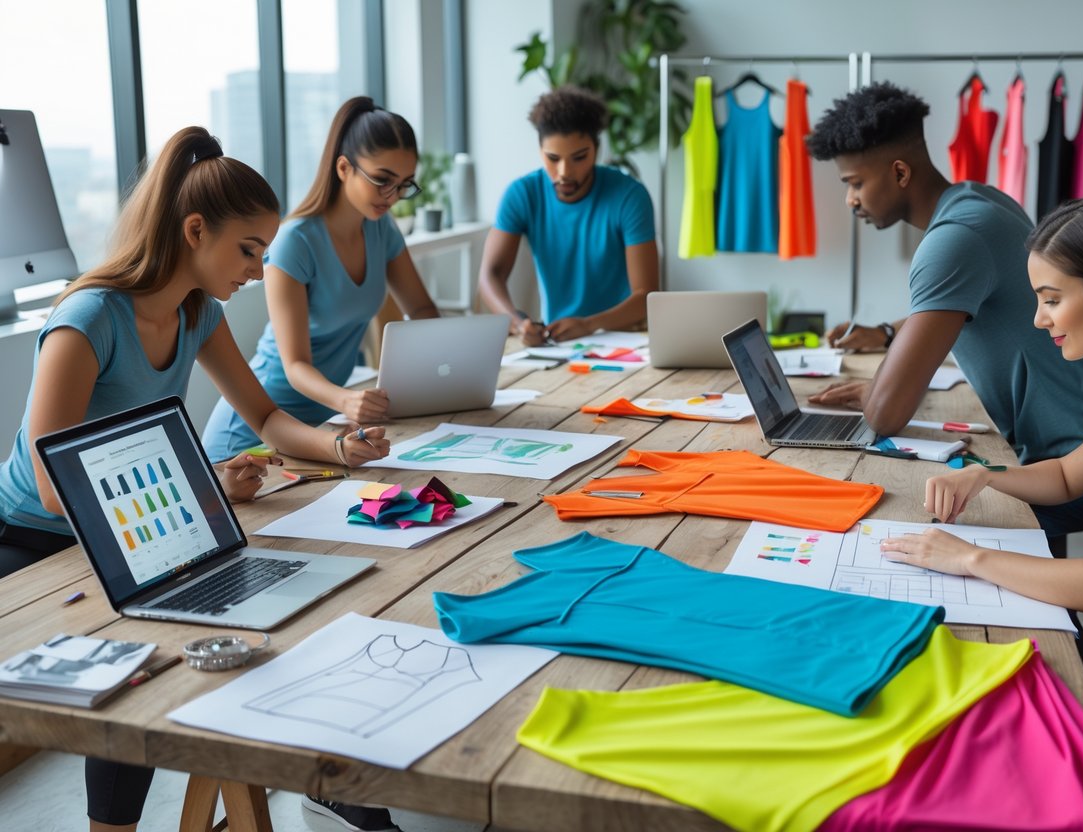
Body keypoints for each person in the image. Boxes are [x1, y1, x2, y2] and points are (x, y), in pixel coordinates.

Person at [0, 126, 389, 831]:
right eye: (247, 251)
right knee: (134, 660)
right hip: (31, 537)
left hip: (127, 535)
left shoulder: (198, 312)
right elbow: (56, 484)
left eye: (264, 253)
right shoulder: (87, 318)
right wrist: (205, 485)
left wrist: (339, 444)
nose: (256, 269)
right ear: (192, 230)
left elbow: (267, 418)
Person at [881, 194, 1083, 808]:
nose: (1038, 320)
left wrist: (967, 557)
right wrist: (983, 476)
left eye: (1051, 299)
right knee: (978, 674)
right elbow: (1063, 477)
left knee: (998, 738)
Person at [805, 82, 1083, 552]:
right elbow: (973, 301)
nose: (850, 200)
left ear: (898, 172)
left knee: (900, 513)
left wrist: (880, 390)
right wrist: (890, 333)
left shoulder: (953, 240)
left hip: (1078, 466)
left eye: (854, 183)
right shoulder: (981, 201)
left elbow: (886, 415)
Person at [203, 96, 439, 462]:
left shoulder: (381, 230)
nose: (393, 196)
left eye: (404, 184)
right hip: (255, 426)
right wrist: (346, 400)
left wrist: (443, 371)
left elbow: (422, 309)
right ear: (344, 168)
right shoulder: (294, 242)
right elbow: (295, 366)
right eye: (382, 180)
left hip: (323, 427)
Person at [478, 86, 658, 346]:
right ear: (540, 150)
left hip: (628, 340)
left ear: (596, 149)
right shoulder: (522, 194)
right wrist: (517, 323)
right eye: (553, 158)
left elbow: (647, 295)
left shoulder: (629, 196)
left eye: (579, 157)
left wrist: (589, 324)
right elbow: (490, 275)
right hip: (560, 342)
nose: (564, 172)